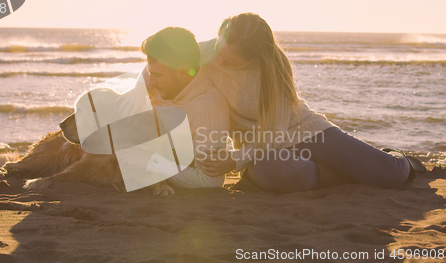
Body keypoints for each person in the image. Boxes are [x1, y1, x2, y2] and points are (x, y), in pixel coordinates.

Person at [194, 13, 424, 193]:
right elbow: (161, 50)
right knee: (284, 173)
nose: (218, 61)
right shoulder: (206, 51)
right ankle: (339, 174)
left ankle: (400, 159)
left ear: (255, 59)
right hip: (263, 151)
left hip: (305, 133)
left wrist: (234, 159)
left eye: (229, 60)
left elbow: (275, 134)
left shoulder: (274, 69)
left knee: (391, 175)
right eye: (218, 51)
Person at [132, 27, 230, 188]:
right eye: (150, 73)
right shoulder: (158, 79)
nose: (151, 82)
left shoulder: (207, 110)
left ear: (183, 72)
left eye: (157, 76)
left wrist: (151, 160)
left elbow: (209, 182)